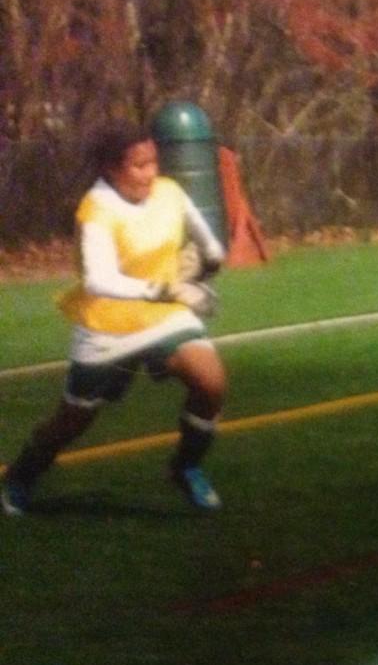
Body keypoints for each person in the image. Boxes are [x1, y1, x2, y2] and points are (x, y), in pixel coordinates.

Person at [1, 119, 227, 515]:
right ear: (110, 168)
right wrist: (167, 289)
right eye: (139, 166)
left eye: (154, 162)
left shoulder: (168, 192)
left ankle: (186, 466)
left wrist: (211, 256)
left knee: (211, 382)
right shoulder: (96, 210)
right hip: (106, 325)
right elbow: (100, 280)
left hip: (162, 315)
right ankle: (21, 476)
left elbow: (203, 233)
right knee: (74, 420)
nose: (150, 173)